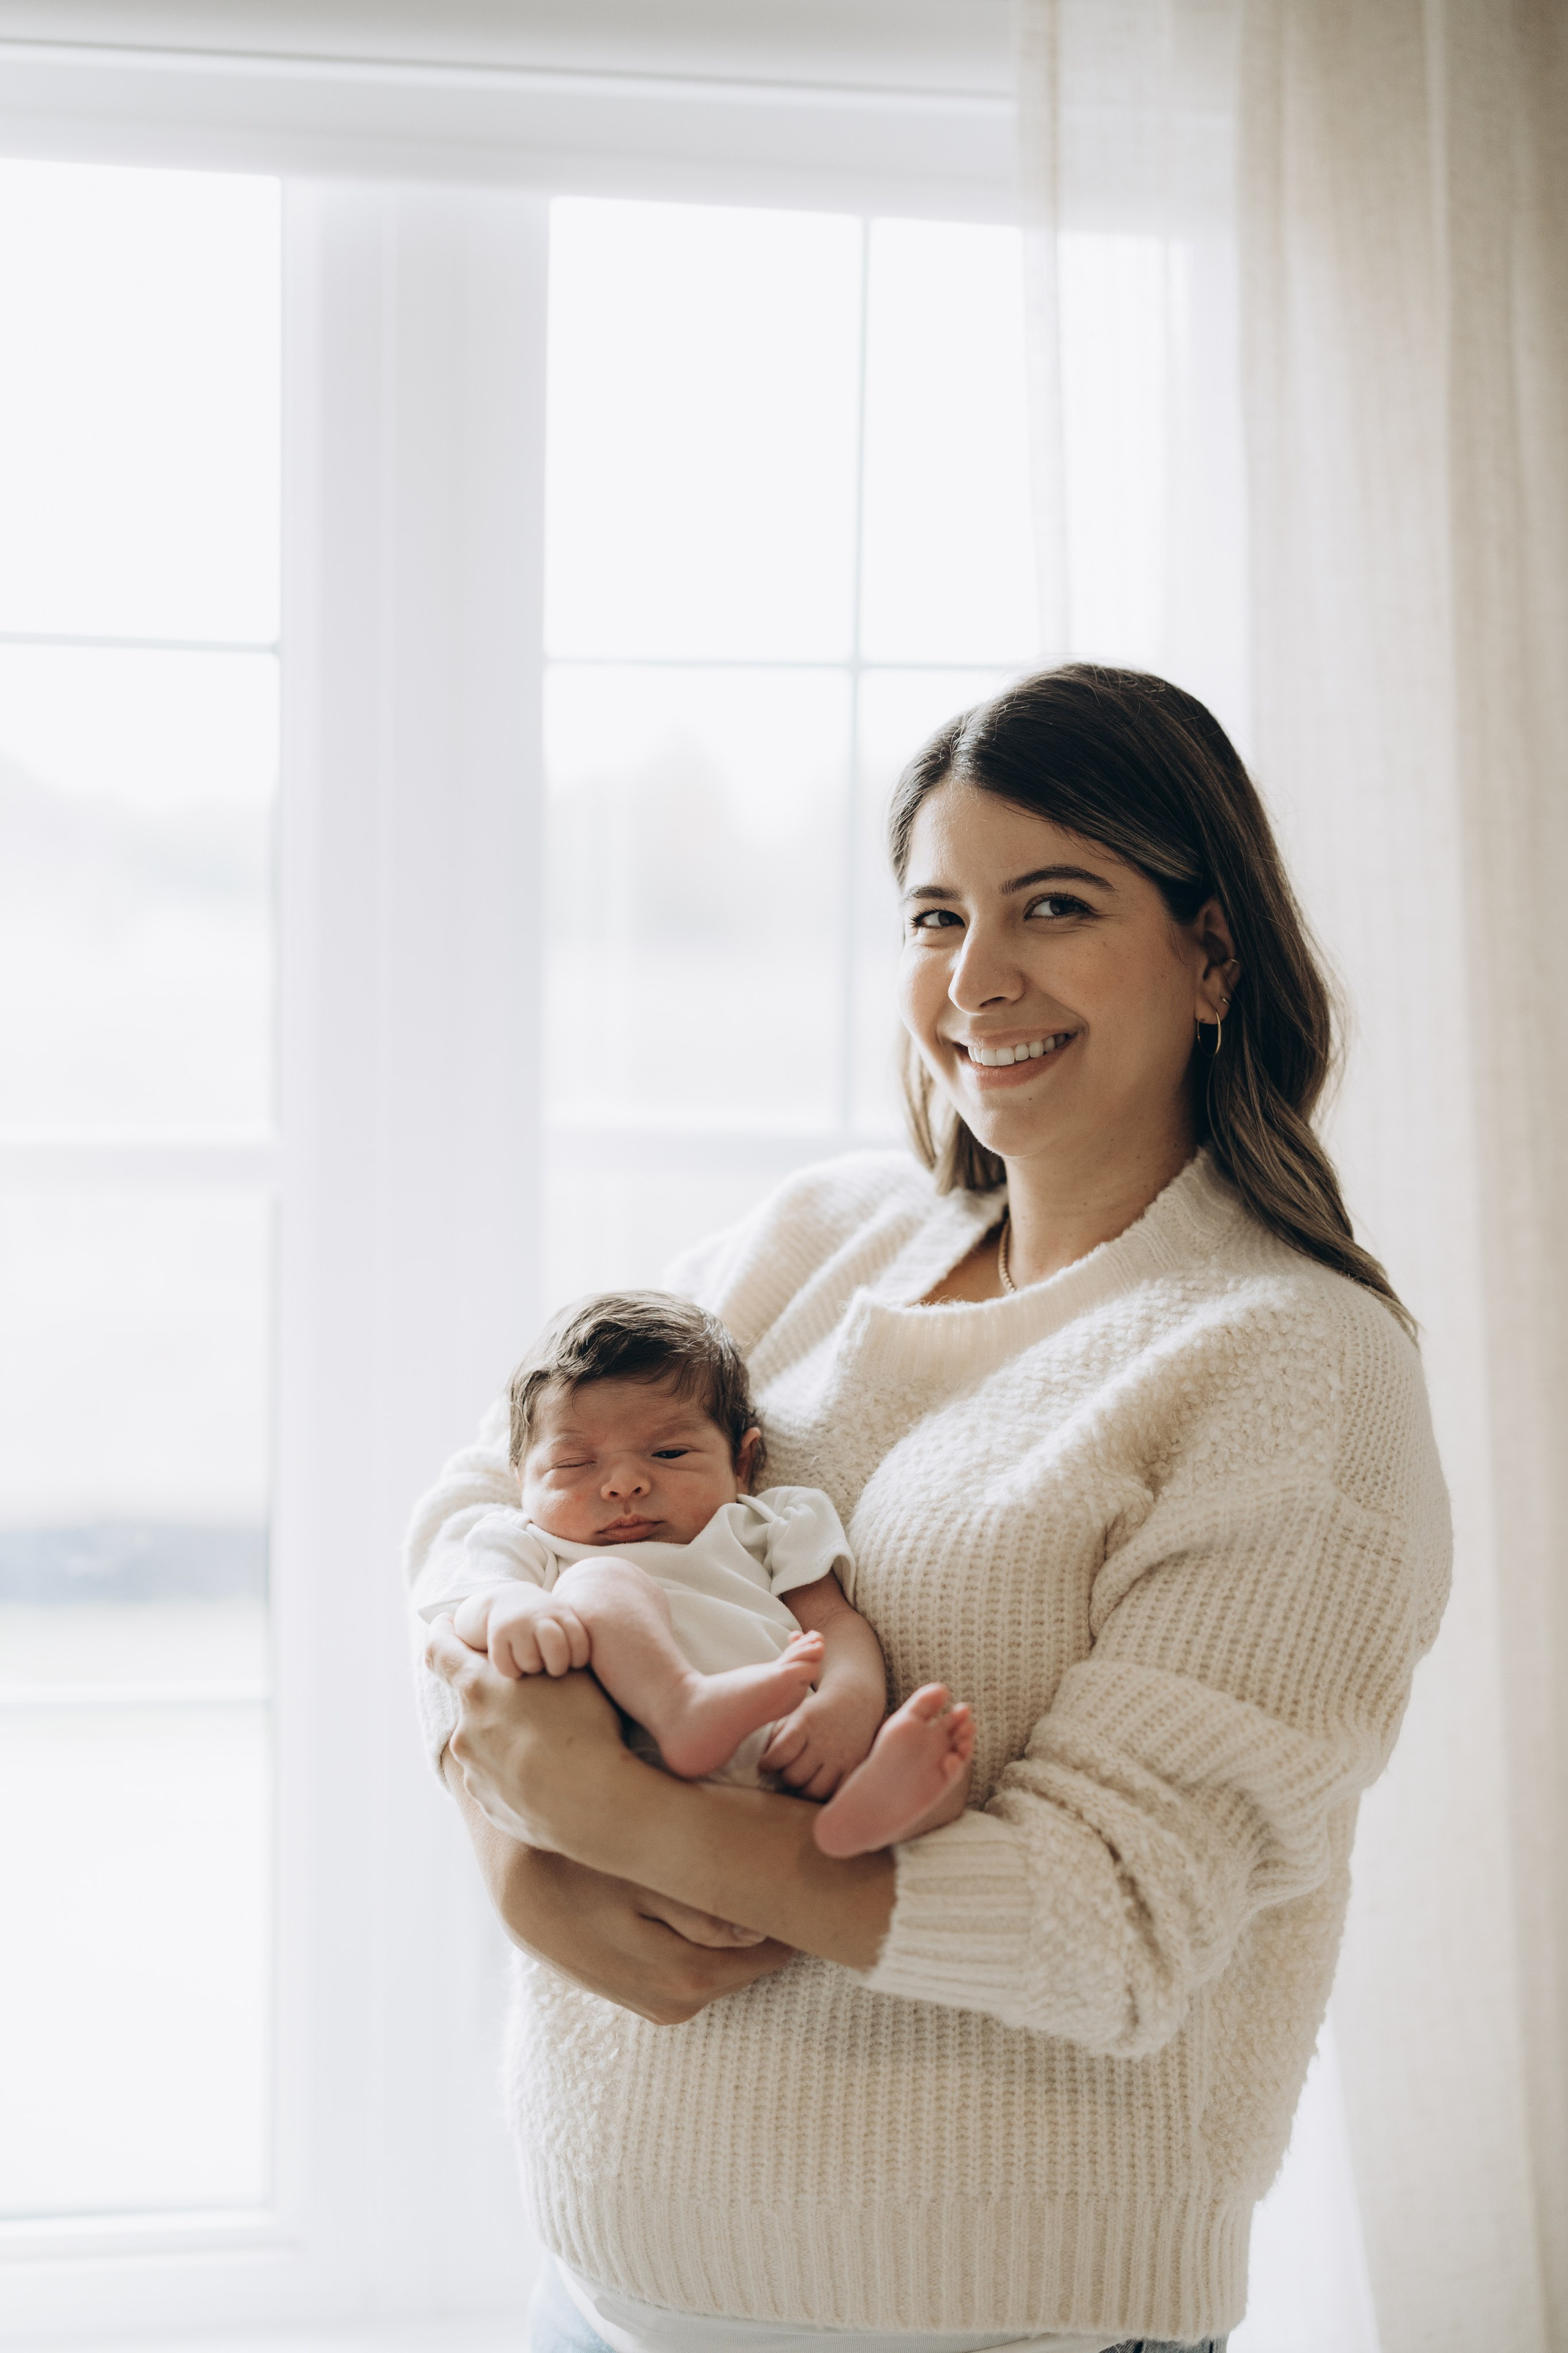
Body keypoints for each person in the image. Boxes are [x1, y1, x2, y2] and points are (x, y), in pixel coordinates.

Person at [412, 665, 1452, 2353]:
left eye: (1055, 904)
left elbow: (1113, 1926)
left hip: (991, 2326)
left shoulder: (1295, 1370)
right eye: (934, 914)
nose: (978, 980)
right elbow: (481, 1504)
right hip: (597, 2289)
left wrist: (606, 1817)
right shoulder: (817, 1239)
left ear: (1212, 952)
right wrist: (502, 1832)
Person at [413, 1290, 975, 1855]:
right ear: (521, 1481)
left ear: (743, 1463)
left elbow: (832, 1620)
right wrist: (514, 1606)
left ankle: (855, 1822)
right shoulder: (526, 1544)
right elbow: (473, 1605)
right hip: (642, 1771)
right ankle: (682, 1705)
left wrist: (850, 1702)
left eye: (670, 1454)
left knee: (948, 1769)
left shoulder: (767, 1523)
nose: (623, 1483)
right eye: (574, 1464)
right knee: (597, 1582)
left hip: (788, 1743)